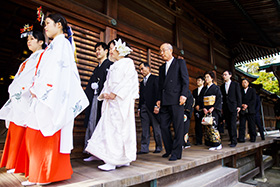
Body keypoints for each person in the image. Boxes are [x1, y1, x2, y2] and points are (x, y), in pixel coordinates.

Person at [21, 13, 89, 186]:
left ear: (59, 25)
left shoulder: (62, 45)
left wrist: (42, 89)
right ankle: (37, 175)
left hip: (51, 95)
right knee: (35, 135)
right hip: (43, 93)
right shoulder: (54, 46)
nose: (45, 27)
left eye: (48, 23)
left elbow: (58, 73)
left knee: (44, 135)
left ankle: (44, 175)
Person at [85, 38, 139, 171]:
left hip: (120, 102)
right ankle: (119, 158)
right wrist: (105, 94)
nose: (110, 51)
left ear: (120, 49)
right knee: (111, 130)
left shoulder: (128, 63)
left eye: (112, 48)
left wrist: (115, 93)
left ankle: (114, 160)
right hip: (111, 102)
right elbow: (107, 83)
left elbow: (128, 82)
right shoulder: (114, 65)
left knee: (119, 130)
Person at [0, 31, 46, 175]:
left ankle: (19, 164)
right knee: (14, 129)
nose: (29, 41)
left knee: (23, 130)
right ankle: (12, 162)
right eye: (28, 39)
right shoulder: (28, 59)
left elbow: (37, 76)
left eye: (33, 39)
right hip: (19, 97)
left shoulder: (43, 56)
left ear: (41, 42)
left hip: (28, 97)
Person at [156, 43, 189, 161]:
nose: (162, 53)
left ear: (171, 51)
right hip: (164, 101)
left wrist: (183, 95)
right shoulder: (161, 68)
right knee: (164, 126)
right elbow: (160, 86)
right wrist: (159, 99)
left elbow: (185, 80)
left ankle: (176, 152)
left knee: (178, 126)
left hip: (176, 100)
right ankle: (169, 150)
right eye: (160, 51)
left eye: (163, 50)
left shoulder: (179, 63)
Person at [83, 42, 113, 161]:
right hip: (95, 98)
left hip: (105, 99)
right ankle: (93, 152)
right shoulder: (97, 68)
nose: (97, 52)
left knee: (103, 125)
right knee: (92, 123)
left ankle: (103, 153)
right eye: (96, 50)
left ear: (106, 51)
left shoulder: (110, 65)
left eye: (100, 49)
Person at [137, 62, 162, 154]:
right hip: (143, 108)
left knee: (156, 128)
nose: (141, 71)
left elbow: (158, 93)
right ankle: (144, 148)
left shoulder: (155, 78)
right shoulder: (142, 82)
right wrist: (139, 108)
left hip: (153, 107)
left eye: (142, 68)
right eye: (140, 69)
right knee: (145, 129)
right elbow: (141, 96)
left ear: (148, 68)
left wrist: (157, 105)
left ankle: (159, 146)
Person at [220, 70, 241, 147]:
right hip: (225, 107)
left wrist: (239, 106)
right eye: (223, 75)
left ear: (230, 75)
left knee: (233, 124)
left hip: (233, 106)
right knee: (228, 124)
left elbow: (238, 95)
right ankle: (231, 139)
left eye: (225, 74)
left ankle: (234, 141)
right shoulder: (222, 86)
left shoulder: (235, 84)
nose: (224, 76)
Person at [202, 71, 222, 150]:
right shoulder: (204, 89)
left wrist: (213, 108)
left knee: (213, 126)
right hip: (206, 109)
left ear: (212, 78)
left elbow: (219, 99)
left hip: (213, 109)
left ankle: (217, 144)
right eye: (205, 77)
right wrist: (204, 108)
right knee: (207, 127)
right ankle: (211, 143)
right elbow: (201, 99)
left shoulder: (216, 88)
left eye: (208, 77)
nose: (206, 79)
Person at [238, 78, 257, 142]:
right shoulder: (240, 91)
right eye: (243, 82)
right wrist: (242, 105)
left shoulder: (252, 90)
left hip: (250, 109)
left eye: (245, 82)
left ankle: (253, 137)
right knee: (242, 124)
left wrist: (247, 105)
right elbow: (238, 99)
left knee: (251, 124)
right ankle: (241, 138)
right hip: (242, 109)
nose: (244, 83)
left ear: (248, 83)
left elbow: (254, 100)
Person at [192, 76, 205, 145]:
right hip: (196, 109)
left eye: (199, 80)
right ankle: (198, 140)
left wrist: (201, 106)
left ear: (203, 81)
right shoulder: (194, 91)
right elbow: (193, 100)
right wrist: (195, 106)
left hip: (204, 109)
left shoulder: (205, 89)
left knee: (206, 124)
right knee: (197, 125)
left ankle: (207, 140)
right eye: (197, 80)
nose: (198, 82)